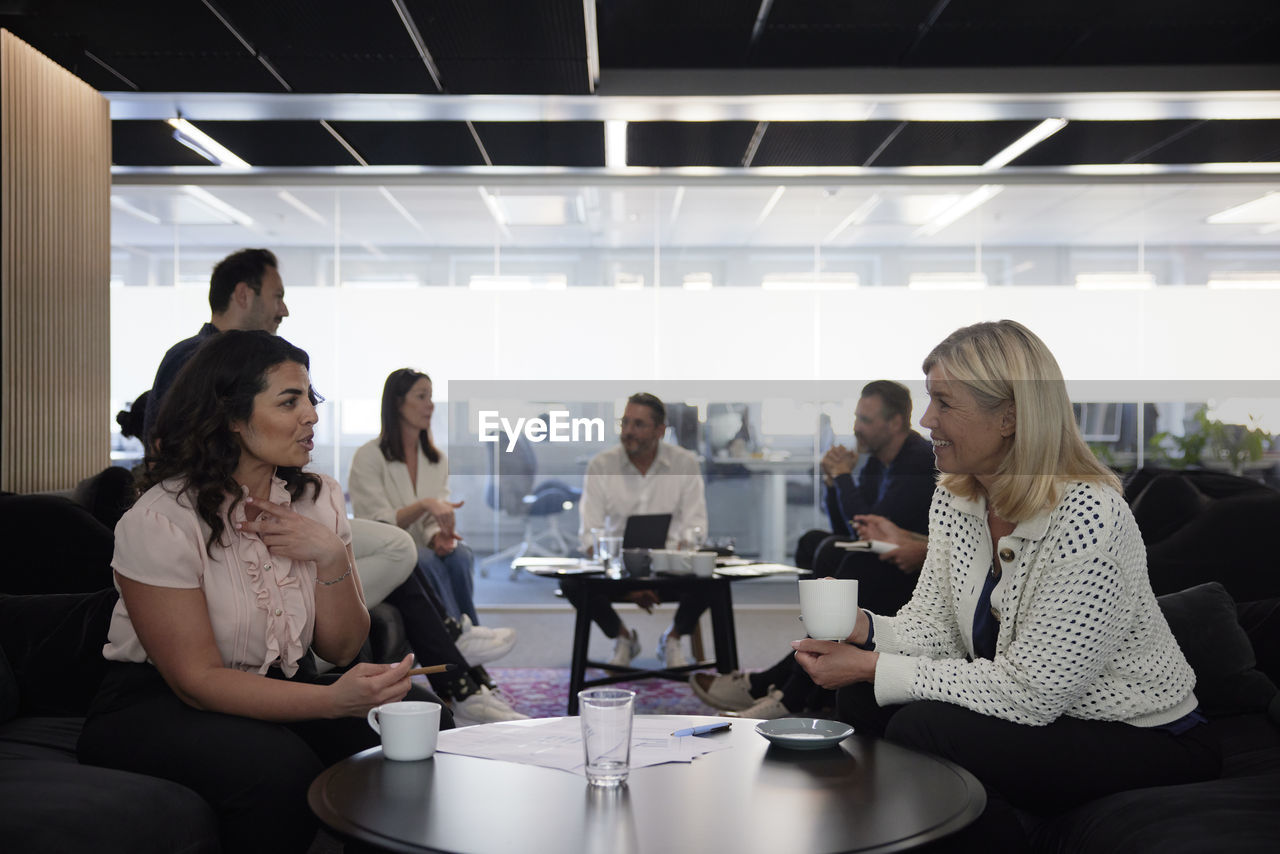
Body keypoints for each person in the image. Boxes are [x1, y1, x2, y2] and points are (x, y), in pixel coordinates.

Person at [790, 320, 1219, 850]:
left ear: (1010, 416)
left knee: (921, 726)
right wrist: (865, 629)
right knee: (861, 700)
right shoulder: (956, 497)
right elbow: (935, 626)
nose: (926, 420)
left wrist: (877, 665)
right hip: (1045, 711)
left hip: (1142, 733)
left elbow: (1033, 693)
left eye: (944, 403)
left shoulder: (1088, 514)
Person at [77, 331, 447, 854]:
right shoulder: (161, 519)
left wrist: (330, 556)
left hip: (276, 684)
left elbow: (339, 650)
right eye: (289, 401)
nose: (312, 416)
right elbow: (197, 682)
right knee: (278, 770)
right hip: (155, 702)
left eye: (310, 399)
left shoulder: (319, 498)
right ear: (230, 416)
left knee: (417, 727)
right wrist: (332, 701)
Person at [694, 381, 937, 718]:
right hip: (886, 561)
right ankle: (798, 680)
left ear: (895, 423)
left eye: (865, 420)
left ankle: (787, 692)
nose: (856, 428)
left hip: (915, 574)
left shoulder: (917, 460)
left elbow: (869, 528)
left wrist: (842, 478)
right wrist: (832, 483)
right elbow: (848, 530)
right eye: (856, 418)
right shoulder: (877, 461)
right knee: (816, 543)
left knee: (846, 557)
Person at [348, 368, 526, 725]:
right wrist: (425, 506)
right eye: (421, 396)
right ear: (397, 403)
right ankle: (468, 663)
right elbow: (377, 523)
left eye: (431, 396)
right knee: (421, 561)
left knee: (460, 556)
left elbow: (435, 516)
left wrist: (438, 536)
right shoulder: (369, 457)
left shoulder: (436, 458)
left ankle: (463, 637)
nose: (430, 405)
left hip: (420, 548)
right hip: (393, 551)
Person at [567, 392, 710, 668]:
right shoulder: (601, 466)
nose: (628, 431)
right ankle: (623, 637)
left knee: (711, 579)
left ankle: (673, 637)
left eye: (638, 424)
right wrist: (628, 580)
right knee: (571, 583)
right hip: (617, 573)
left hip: (672, 571)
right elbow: (589, 534)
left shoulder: (685, 464)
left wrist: (665, 567)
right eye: (625, 423)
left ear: (660, 431)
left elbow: (696, 527)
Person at [142, 248, 288, 444]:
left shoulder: (242, 359)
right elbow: (174, 450)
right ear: (243, 295)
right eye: (277, 297)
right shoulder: (192, 359)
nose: (284, 311)